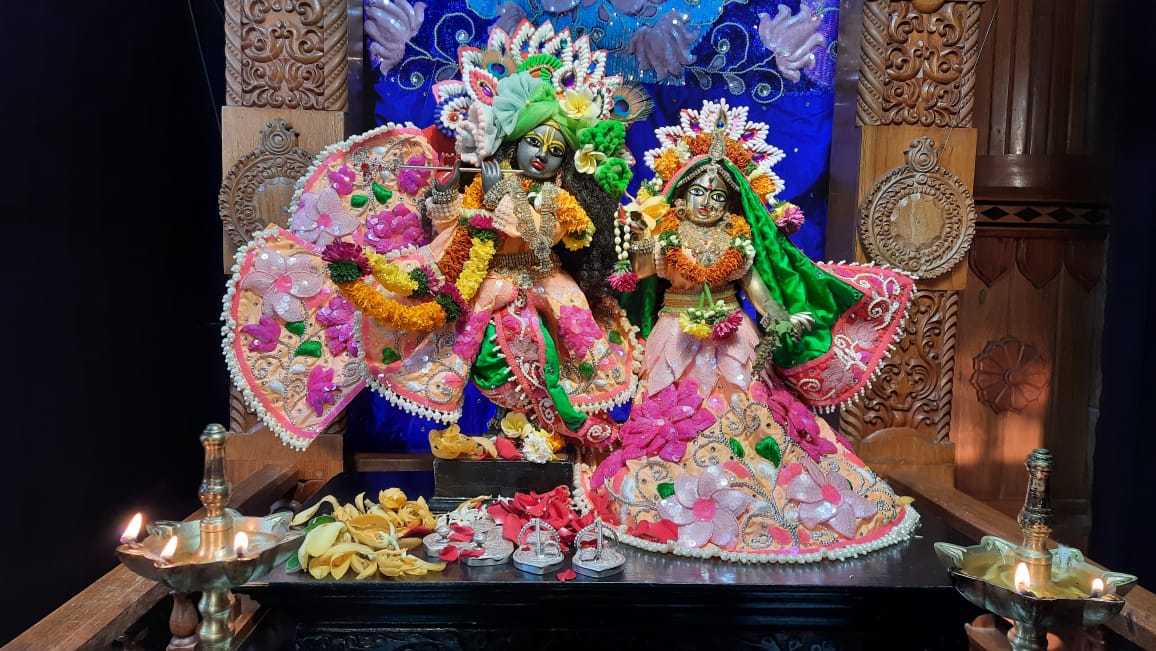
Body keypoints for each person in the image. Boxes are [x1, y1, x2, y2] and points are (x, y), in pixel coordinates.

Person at [579, 99, 920, 562]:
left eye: (718, 195)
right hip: (675, 335)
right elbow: (636, 274)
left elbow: (757, 291)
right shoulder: (666, 235)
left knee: (752, 413)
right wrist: (639, 231)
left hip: (734, 337)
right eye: (698, 192)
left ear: (732, 203)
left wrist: (780, 317)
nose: (707, 201)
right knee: (670, 418)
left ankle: (756, 497)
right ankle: (682, 499)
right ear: (680, 196)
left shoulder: (739, 242)